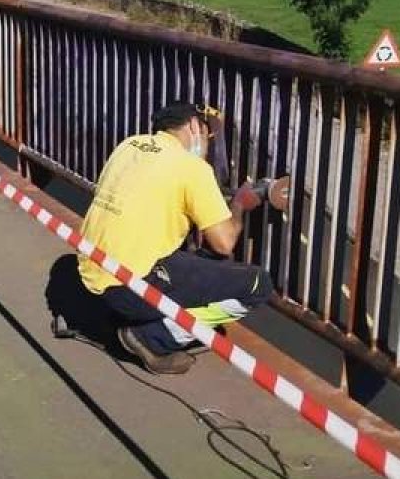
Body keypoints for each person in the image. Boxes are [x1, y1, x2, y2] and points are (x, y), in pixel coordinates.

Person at [79, 101, 273, 375]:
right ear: (194, 127)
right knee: (257, 285)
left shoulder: (129, 145)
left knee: (195, 260)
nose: (209, 142)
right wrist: (240, 204)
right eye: (208, 135)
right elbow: (224, 242)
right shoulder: (191, 167)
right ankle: (153, 337)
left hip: (92, 269)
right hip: (128, 287)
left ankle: (128, 316)